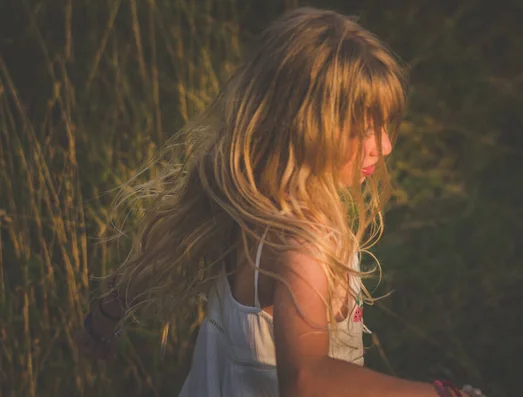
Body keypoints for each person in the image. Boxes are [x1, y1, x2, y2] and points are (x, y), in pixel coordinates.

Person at [76, 7, 485, 397]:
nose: (385, 147)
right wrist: (439, 393)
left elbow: (158, 260)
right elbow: (306, 381)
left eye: (384, 127)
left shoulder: (245, 202)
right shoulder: (303, 242)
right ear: (305, 126)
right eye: (363, 131)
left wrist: (104, 317)